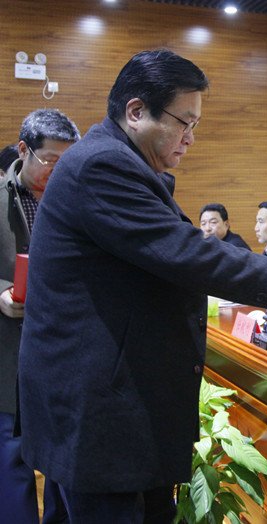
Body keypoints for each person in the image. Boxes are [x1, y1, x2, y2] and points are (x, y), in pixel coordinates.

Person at [17, 49, 267, 522]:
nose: (191, 138)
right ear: (136, 111)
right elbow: (183, 250)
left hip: (109, 403)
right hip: (99, 410)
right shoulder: (103, 164)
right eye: (185, 122)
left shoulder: (121, 161)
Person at [1, 109, 80, 523]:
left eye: (67, 161)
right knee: (11, 461)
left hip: (64, 358)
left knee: (62, 464)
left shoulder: (77, 201)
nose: (57, 170)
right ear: (23, 150)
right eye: (50, 159)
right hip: (9, 356)